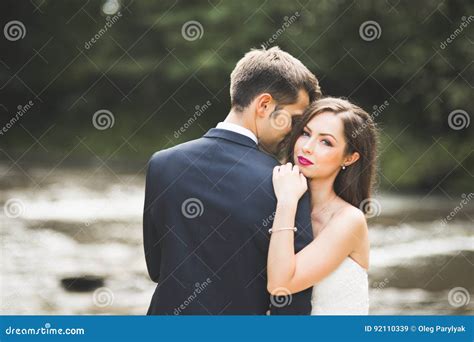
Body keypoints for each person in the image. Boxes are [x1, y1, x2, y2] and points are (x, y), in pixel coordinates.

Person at [143, 46, 321, 315]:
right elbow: (291, 303)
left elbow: (156, 268)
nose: (295, 133)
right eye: (294, 120)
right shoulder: (287, 184)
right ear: (263, 105)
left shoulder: (162, 164)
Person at [267, 97, 378, 314]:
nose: (307, 147)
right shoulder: (272, 199)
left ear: (349, 158)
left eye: (325, 142)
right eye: (306, 133)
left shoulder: (349, 220)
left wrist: (287, 202)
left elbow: (280, 285)